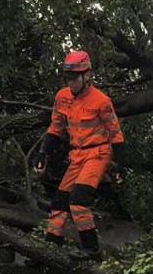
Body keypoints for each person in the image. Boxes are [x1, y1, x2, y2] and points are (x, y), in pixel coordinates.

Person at [34, 50, 125, 254]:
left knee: (78, 202)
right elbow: (55, 128)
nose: (71, 82)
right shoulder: (62, 97)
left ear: (87, 75)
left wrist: (119, 165)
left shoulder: (101, 101)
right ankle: (51, 249)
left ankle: (91, 251)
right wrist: (42, 153)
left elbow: (116, 134)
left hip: (98, 154)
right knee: (59, 203)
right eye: (68, 78)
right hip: (77, 155)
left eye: (75, 78)